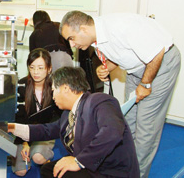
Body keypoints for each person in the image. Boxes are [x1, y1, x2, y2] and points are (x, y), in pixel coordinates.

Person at [59, 11, 181, 177]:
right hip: (136, 68)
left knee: (146, 127)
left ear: (83, 29)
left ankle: (136, 174)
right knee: (126, 120)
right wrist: (108, 66)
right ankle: (121, 169)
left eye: (72, 38)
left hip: (160, 65)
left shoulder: (120, 27)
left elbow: (157, 52)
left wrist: (145, 84)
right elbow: (123, 51)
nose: (72, 45)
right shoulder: (96, 36)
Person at [8, 67, 139, 178]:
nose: (52, 97)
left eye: (54, 90)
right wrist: (12, 127)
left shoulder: (100, 101)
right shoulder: (68, 114)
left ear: (65, 88)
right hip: (91, 167)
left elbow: (112, 131)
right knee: (48, 170)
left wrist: (79, 161)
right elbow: (46, 130)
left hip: (110, 171)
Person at [12, 48, 62, 176]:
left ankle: (46, 162)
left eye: (40, 68)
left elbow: (56, 117)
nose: (36, 72)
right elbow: (18, 117)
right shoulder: (21, 85)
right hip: (23, 133)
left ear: (49, 68)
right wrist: (25, 144)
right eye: (32, 67)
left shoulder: (55, 86)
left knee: (38, 157)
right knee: (20, 171)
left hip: (44, 133)